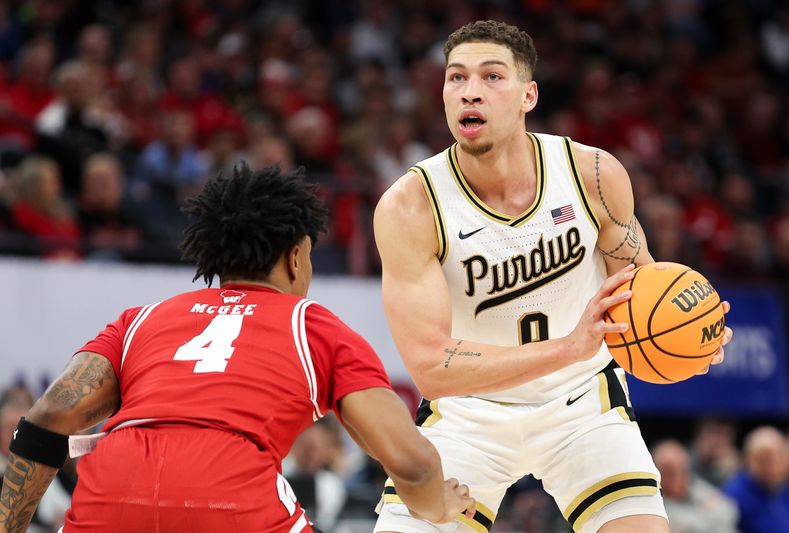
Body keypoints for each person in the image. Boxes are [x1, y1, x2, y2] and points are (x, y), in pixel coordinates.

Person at [373, 20, 733, 533]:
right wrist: (569, 345)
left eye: (492, 76)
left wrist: (692, 332)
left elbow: (642, 288)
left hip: (582, 404)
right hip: (469, 417)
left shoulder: (592, 175)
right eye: (456, 78)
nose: (470, 91)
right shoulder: (411, 206)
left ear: (528, 95)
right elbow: (431, 366)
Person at [0, 163, 475, 532]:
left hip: (112, 489)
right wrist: (439, 506)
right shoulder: (314, 325)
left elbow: (47, 419)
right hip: (228, 490)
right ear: (295, 258)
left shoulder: (139, 320)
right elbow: (413, 465)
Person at [724, 426, 789, 533]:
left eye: (778, 458)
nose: (772, 467)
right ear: (748, 461)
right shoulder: (734, 497)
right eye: (764, 460)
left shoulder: (787, 489)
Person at [652, 439, 738, 533]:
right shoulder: (653, 501)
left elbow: (729, 510)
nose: (678, 476)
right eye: (670, 472)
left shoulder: (696, 486)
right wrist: (706, 515)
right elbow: (676, 526)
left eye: (683, 469)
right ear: (657, 473)